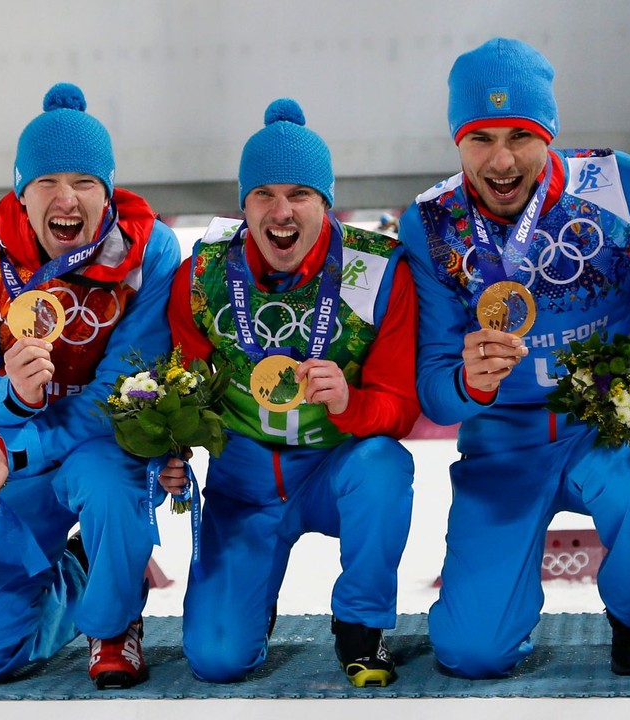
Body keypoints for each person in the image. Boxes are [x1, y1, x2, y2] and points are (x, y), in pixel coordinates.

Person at [398, 37, 630, 679]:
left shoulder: (618, 186)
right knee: (473, 653)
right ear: (456, 141)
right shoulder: (431, 224)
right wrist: (467, 384)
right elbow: (433, 387)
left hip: (605, 425)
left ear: (549, 133)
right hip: (504, 443)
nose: (501, 160)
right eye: (480, 138)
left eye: (520, 136)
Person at [165, 98, 418, 687]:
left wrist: (351, 404)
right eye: (264, 195)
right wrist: (170, 450)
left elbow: (402, 407)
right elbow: (181, 392)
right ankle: (251, 597)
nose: (281, 212)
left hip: (335, 467)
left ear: (325, 203)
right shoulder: (200, 277)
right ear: (244, 204)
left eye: (300, 195)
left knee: (385, 465)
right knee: (217, 660)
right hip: (244, 485)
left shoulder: (377, 270)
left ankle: (361, 624)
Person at [0, 83, 181, 688]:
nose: (67, 198)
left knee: (110, 489)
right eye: (47, 183)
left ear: (108, 190)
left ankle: (113, 625)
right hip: (7, 459)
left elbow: (125, 391)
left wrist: (11, 446)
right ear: (21, 191)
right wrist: (7, 400)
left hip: (88, 445)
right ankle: (79, 571)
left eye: (86, 182)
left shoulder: (150, 250)